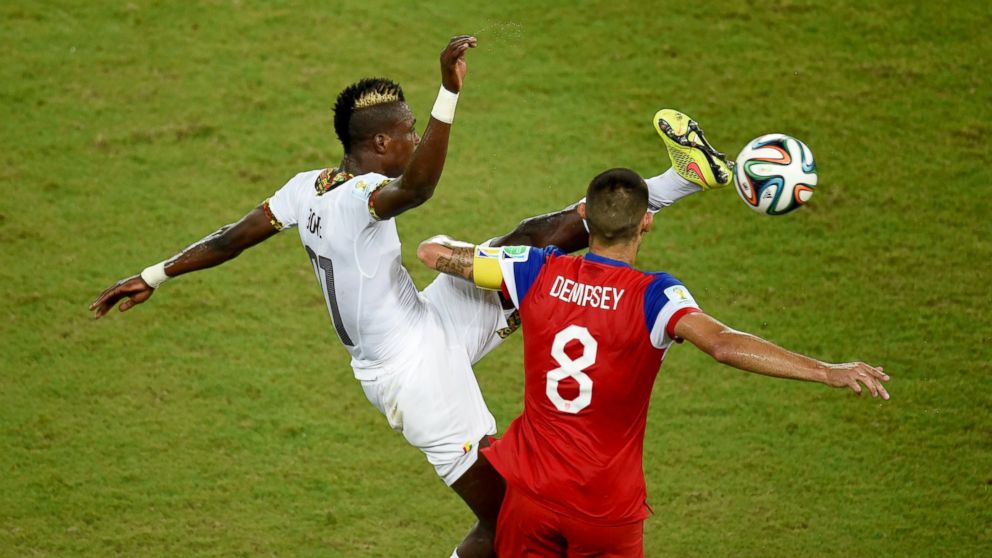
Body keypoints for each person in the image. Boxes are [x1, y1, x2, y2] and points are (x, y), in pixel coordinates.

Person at [417, 166, 890, 557]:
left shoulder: (535, 268)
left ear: (585, 217)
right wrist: (826, 371)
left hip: (531, 496)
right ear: (646, 223)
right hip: (605, 510)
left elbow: (433, 252)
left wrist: (455, 246)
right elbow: (724, 344)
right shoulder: (654, 297)